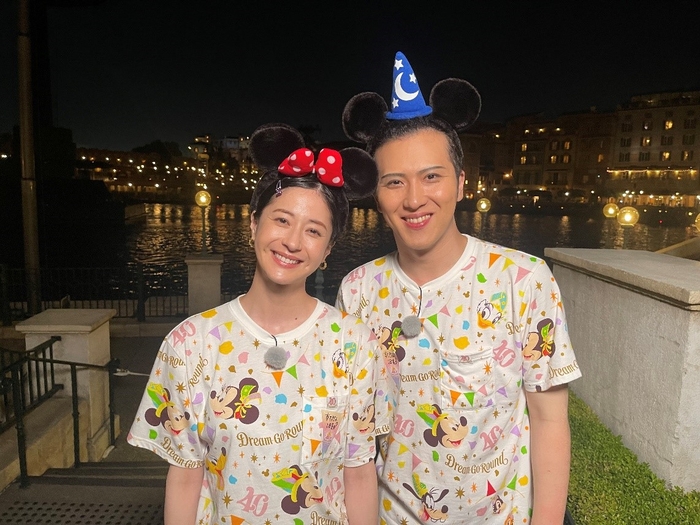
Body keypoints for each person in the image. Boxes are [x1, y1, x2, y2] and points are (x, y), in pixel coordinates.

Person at [336, 51, 582, 524]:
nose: (414, 199)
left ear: (461, 183)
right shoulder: (357, 291)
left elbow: (550, 420)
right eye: (394, 182)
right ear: (376, 195)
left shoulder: (524, 279)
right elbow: (355, 434)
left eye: (432, 177)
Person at [128, 122, 393, 525]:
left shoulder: (356, 345)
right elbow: (184, 477)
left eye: (314, 231)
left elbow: (358, 475)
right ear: (254, 224)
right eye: (282, 220)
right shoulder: (189, 344)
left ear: (327, 249)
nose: (293, 242)